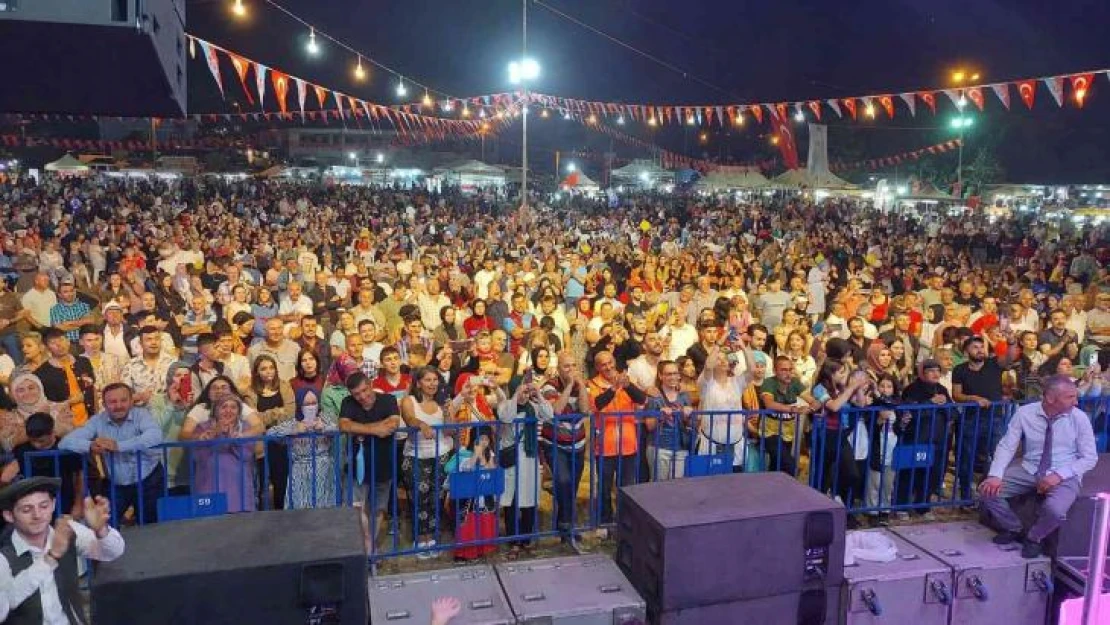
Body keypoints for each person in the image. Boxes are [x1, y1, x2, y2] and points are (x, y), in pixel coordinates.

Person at [979, 374, 1099, 559]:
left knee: (1055, 510)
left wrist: (1059, 475)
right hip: (1030, 468)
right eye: (1070, 397)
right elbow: (1007, 446)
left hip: (1065, 472)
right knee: (987, 490)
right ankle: (1013, 527)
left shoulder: (1079, 418)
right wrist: (995, 475)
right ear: (1050, 398)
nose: (1076, 402)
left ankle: (1034, 538)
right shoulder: (1025, 413)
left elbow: (1090, 457)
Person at [0, 478, 124, 625]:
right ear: (9, 515)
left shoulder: (68, 531)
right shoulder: (4, 556)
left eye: (44, 506)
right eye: (27, 510)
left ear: (53, 505)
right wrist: (51, 558)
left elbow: (113, 552)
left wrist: (101, 530)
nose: (37, 515)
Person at [59, 383, 164, 525]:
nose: (118, 405)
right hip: (116, 484)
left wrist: (119, 446)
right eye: (113, 402)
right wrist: (90, 446)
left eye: (123, 400)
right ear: (104, 404)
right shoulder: (97, 421)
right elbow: (65, 442)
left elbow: (155, 436)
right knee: (106, 526)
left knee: (150, 527)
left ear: (131, 400)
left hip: (148, 480)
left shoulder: (142, 415)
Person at [337, 372, 400, 557]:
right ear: (351, 394)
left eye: (365, 390)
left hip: (383, 462)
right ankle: (364, 543)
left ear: (370, 384)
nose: (362, 396)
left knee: (378, 508)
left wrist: (361, 428)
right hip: (356, 465)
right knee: (355, 505)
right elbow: (344, 425)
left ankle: (369, 545)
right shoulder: (347, 403)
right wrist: (375, 429)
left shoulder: (388, 399)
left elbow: (393, 423)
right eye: (357, 394)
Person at [399, 367, 453, 559]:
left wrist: (447, 412)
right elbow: (409, 418)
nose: (432, 383)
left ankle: (433, 537)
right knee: (418, 499)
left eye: (435, 380)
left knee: (436, 498)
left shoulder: (441, 402)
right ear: (418, 383)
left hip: (441, 455)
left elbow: (449, 431)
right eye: (428, 380)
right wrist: (422, 424)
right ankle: (420, 538)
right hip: (416, 457)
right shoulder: (409, 401)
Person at [267, 387, 339, 509]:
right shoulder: (294, 421)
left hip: (323, 470)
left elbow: (337, 429)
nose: (311, 406)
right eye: (306, 403)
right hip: (300, 471)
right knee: (300, 508)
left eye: (314, 403)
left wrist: (324, 429)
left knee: (323, 509)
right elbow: (270, 433)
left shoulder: (324, 418)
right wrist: (294, 430)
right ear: (300, 405)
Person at [191, 396, 258, 514]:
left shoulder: (245, 427)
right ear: (216, 410)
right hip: (208, 488)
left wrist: (235, 440)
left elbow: (247, 456)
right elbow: (197, 456)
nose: (228, 411)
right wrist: (213, 435)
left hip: (239, 492)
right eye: (224, 407)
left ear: (239, 411)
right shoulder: (203, 427)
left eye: (233, 407)